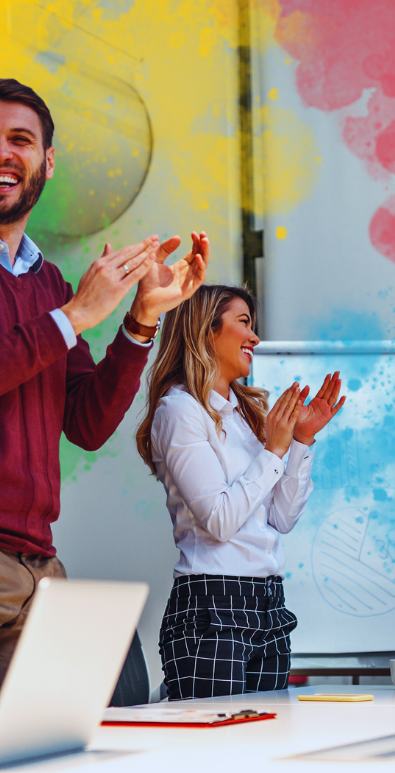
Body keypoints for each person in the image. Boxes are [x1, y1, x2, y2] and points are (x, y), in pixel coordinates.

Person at [0, 77, 209, 731]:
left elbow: (84, 424)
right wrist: (75, 316)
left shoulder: (48, 284)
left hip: (38, 566)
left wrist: (140, 322)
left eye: (20, 141)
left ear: (47, 162)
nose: (1, 154)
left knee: (40, 769)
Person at [136, 284, 345, 699]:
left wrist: (300, 441)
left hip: (268, 600)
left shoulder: (247, 413)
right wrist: (274, 449)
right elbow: (219, 520)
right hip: (211, 605)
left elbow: (281, 519)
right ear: (205, 331)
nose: (255, 338)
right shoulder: (179, 411)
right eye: (244, 323)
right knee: (217, 754)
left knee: (265, 747)